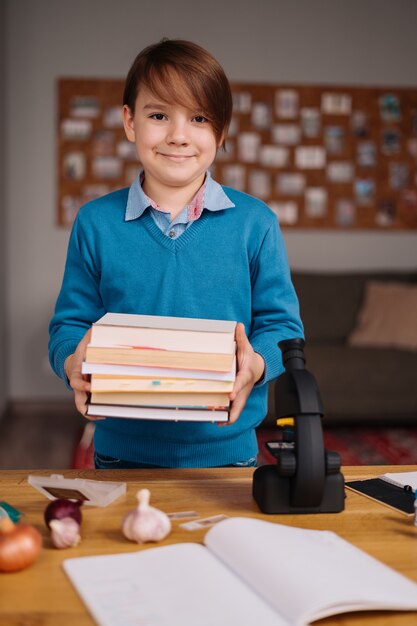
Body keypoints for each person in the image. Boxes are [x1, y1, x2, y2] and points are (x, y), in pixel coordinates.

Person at [49, 38, 304, 469]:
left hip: (228, 456)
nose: (178, 135)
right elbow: (69, 325)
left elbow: (283, 327)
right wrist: (74, 359)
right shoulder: (94, 223)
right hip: (120, 456)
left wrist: (256, 364)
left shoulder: (256, 224)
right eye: (159, 115)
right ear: (129, 121)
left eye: (199, 118)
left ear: (220, 132)